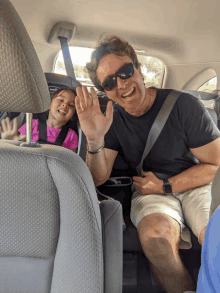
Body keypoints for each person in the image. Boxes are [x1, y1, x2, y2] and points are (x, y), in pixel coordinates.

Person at [75, 35, 220, 293]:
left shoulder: (185, 106)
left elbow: (216, 165)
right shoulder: (112, 119)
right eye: (109, 82)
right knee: (156, 241)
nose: (121, 84)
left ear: (139, 69)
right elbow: (97, 178)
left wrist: (165, 185)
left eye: (125, 71)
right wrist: (94, 139)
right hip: (149, 190)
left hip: (197, 182)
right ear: (105, 92)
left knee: (216, 237)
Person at [0, 87, 78, 152]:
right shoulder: (32, 125)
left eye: (71, 105)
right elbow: (20, 146)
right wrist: (11, 143)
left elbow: (72, 164)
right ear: (49, 105)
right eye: (61, 100)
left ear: (72, 116)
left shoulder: (71, 136)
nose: (65, 105)